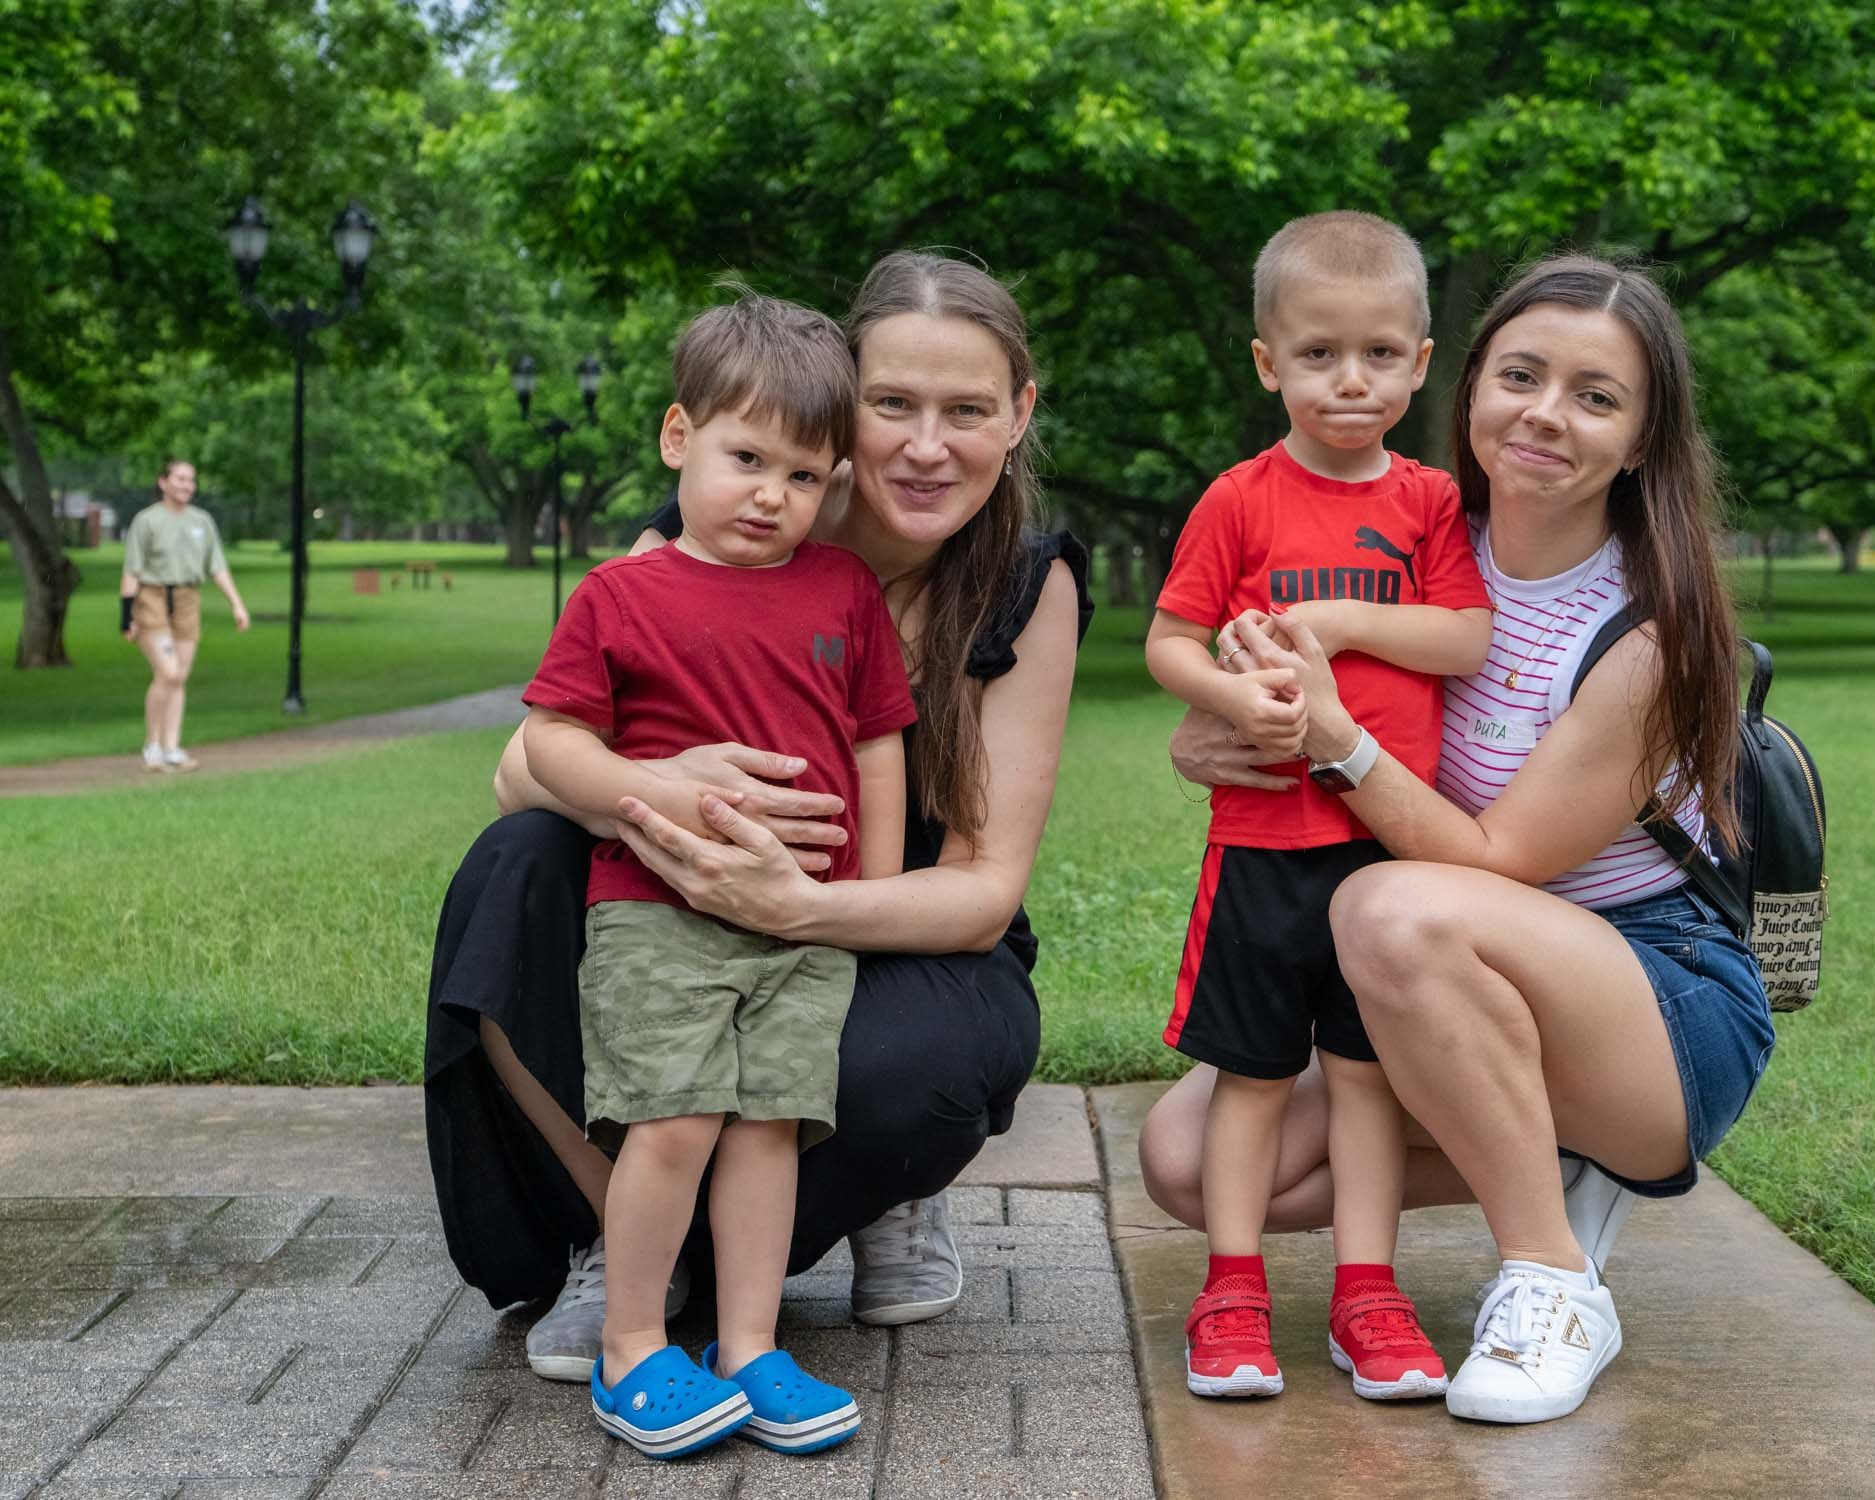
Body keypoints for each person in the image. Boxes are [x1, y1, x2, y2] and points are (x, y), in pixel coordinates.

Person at [424, 251, 1093, 1390]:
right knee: (511, 871)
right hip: (679, 917)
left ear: (1019, 415)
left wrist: (810, 905)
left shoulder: (1025, 585)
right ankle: (632, 1237)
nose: (928, 447)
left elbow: (985, 891)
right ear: (840, 403)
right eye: (892, 405)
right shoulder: (721, 521)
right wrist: (665, 781)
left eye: (968, 411)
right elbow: (520, 774)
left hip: (898, 930)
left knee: (910, 1071)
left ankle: (877, 1201)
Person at [1143, 253, 1775, 1426]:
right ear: (1471, 385)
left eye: (1596, 397)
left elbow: (1486, 865)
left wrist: (1333, 739)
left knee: (1390, 908)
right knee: (1187, 1155)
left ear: (1641, 439)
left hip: (1653, 998)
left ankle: (1552, 1281)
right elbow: (1238, 660)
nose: (1545, 413)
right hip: (1450, 986)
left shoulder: (1648, 632)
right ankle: (1554, 1159)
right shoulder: (1422, 539)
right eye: (1522, 375)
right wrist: (1216, 735)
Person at [519, 290, 914, 1458]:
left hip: (800, 928)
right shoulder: (619, 594)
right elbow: (551, 743)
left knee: (768, 1131)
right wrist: (649, 792)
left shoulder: (840, 591)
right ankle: (634, 1344)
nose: (772, 497)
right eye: (747, 459)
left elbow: (877, 741)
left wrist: (867, 897)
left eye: (805, 477)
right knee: (679, 1121)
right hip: (658, 915)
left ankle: (750, 1345)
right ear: (677, 437)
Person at [1145, 212, 1493, 1403]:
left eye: (1381, 355)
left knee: (1364, 1079)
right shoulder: (1240, 500)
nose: (1352, 381)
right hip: (1260, 846)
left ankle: (1366, 1293)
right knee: (1250, 1077)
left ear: (1421, 359)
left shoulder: (1433, 503)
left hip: (1382, 860)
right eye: (1319, 355)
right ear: (1266, 362)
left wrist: (1338, 626)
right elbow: (1169, 641)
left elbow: (1464, 634)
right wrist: (1233, 701)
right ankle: (1231, 1288)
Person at [119, 460, 251, 771]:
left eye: (191, 480)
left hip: (187, 597)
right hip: (152, 595)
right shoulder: (147, 521)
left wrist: (236, 603)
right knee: (167, 671)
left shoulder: (201, 521)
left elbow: (216, 566)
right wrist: (126, 615)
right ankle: (152, 745)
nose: (186, 485)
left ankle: (171, 746)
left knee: (180, 676)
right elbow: (132, 570)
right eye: (180, 479)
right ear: (163, 482)